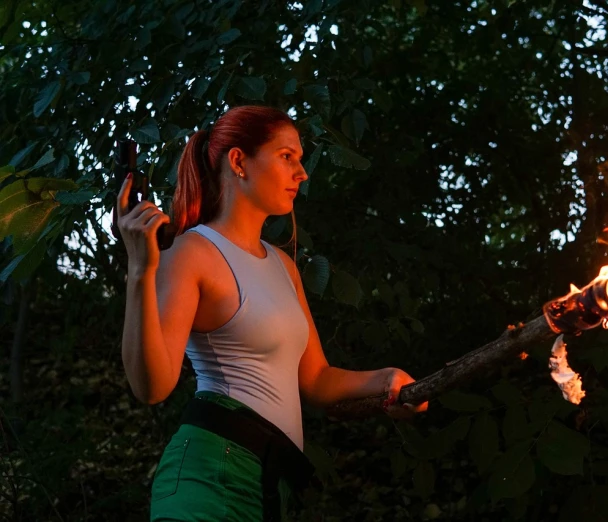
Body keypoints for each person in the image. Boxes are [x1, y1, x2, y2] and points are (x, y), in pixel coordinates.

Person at [117, 105, 428, 521]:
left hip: (268, 482)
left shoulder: (284, 266)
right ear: (239, 162)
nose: (302, 173)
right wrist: (141, 269)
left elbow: (315, 379)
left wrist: (387, 378)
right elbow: (150, 387)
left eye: (300, 160)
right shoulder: (192, 253)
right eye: (287, 157)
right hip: (210, 475)